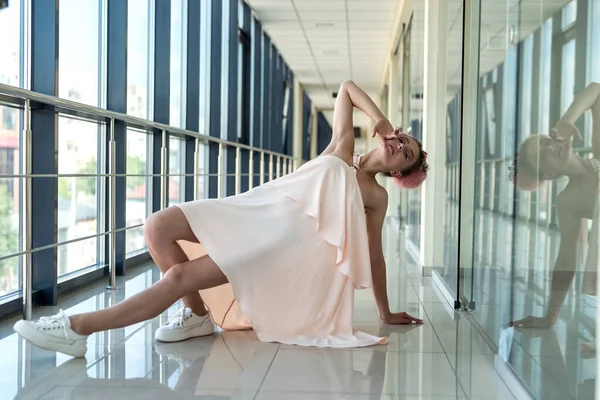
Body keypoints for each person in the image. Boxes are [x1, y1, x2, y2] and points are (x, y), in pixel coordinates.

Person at [13, 80, 428, 358]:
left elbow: (374, 256)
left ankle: (76, 329)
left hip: (273, 245)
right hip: (251, 210)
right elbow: (347, 88)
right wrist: (379, 119)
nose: (400, 147)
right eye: (404, 140)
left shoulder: (374, 196)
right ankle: (196, 315)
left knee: (177, 278)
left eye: (406, 156)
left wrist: (386, 312)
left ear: (397, 174)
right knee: (157, 226)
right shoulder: (341, 146)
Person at [508, 82, 600, 329]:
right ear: (547, 175)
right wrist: (550, 316)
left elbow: (596, 89)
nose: (551, 146)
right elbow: (566, 260)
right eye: (541, 155)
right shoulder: (568, 200)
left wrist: (566, 119)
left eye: (547, 140)